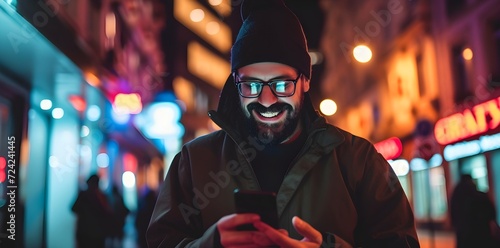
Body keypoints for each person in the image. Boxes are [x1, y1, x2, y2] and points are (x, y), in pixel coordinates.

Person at [147, 0, 419, 247]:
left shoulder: (359, 162)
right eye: (251, 85)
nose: (266, 100)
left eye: (281, 83)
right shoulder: (194, 162)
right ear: (236, 83)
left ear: (305, 81)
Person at [450, 174, 499, 248]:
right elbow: (491, 213)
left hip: (463, 233)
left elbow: (453, 212)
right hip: (481, 232)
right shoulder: (480, 196)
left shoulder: (457, 194)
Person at [72, 174, 113, 248]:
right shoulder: (101, 196)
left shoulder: (84, 195)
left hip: (85, 232)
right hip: (97, 233)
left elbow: (74, 208)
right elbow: (108, 213)